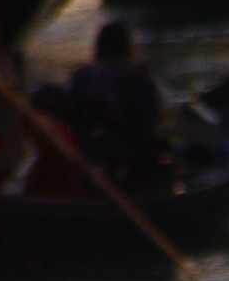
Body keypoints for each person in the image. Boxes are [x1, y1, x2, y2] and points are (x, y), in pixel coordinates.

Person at [59, 20, 163, 175]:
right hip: (125, 160)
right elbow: (150, 122)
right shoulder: (141, 80)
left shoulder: (82, 77)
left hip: (100, 159)